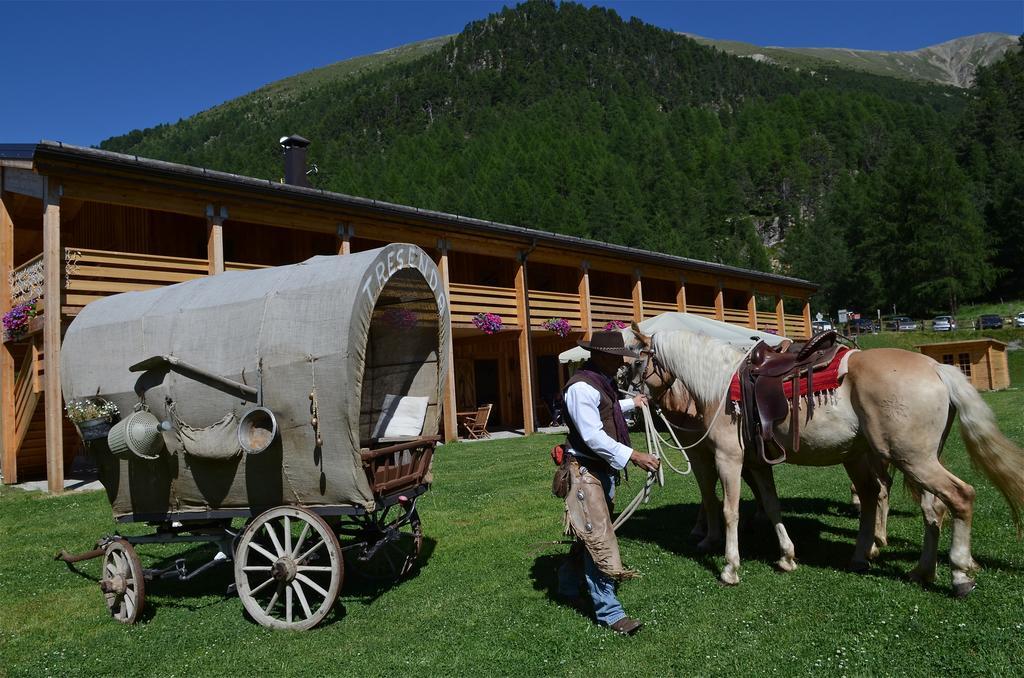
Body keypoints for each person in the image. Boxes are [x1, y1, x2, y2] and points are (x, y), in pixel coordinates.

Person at [556, 331, 661, 636]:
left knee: (589, 536)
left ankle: (566, 582)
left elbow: (607, 410)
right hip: (585, 473)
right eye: (616, 357)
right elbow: (591, 436)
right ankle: (610, 612)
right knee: (600, 539)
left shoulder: (600, 383)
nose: (620, 362)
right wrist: (634, 455)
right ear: (601, 355)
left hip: (599, 471)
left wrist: (632, 404)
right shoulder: (581, 388)